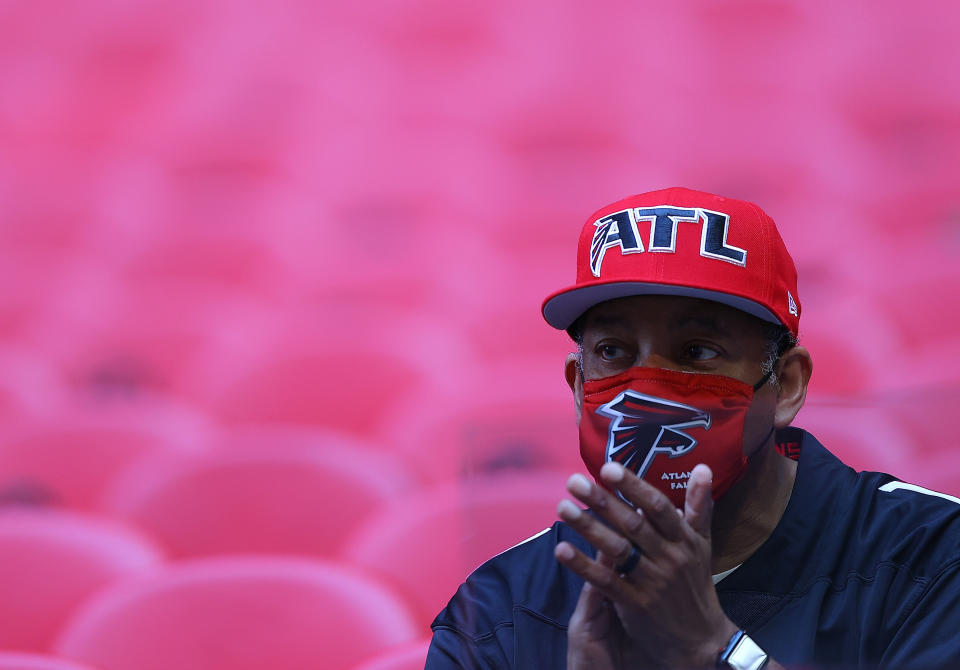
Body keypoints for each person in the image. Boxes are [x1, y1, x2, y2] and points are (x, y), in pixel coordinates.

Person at [425, 187, 960, 669]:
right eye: (614, 353)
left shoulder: (931, 558)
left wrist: (717, 651)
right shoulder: (500, 608)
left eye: (697, 353)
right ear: (576, 384)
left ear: (787, 385)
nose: (650, 385)